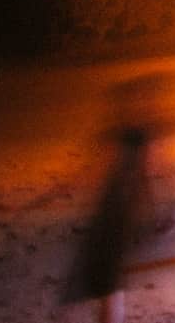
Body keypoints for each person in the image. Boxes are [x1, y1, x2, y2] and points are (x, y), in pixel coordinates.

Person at [65, 84, 160, 323]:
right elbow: (145, 180)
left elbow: (94, 174)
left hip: (113, 219)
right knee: (109, 285)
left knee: (105, 286)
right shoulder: (136, 137)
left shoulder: (123, 137)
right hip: (118, 218)